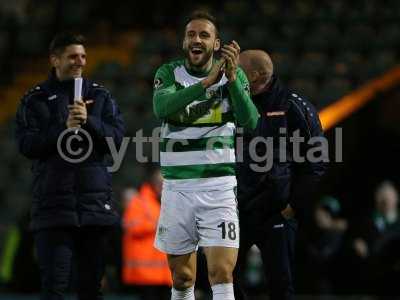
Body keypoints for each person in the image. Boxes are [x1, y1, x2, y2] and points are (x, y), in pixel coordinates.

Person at [152, 11, 259, 300]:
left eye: (204, 35)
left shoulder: (234, 77)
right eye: (191, 34)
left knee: (221, 274)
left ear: (216, 44)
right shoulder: (169, 73)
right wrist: (206, 83)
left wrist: (232, 80)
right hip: (178, 188)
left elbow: (251, 121)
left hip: (218, 187)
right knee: (183, 277)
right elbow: (162, 109)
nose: (196, 39)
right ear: (184, 41)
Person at [15, 32, 125, 300]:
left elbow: (117, 140)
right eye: (73, 56)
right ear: (55, 60)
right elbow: (27, 145)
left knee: (92, 291)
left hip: (94, 211)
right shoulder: (35, 100)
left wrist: (89, 122)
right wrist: (62, 129)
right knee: (54, 290)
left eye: (83, 56)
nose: (80, 61)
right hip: (53, 211)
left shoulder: (100, 96)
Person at [234, 50, 326, 300]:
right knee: (226, 283)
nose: (230, 71)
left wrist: (292, 205)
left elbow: (316, 162)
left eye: (238, 67)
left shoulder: (294, 106)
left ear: (255, 75)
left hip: (276, 212)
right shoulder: (231, 102)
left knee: (281, 285)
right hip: (236, 211)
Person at [122, 167, 172, 300]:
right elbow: (131, 227)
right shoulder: (139, 202)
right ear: (154, 183)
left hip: (165, 273)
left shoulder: (167, 203)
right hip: (146, 273)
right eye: (161, 184)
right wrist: (157, 225)